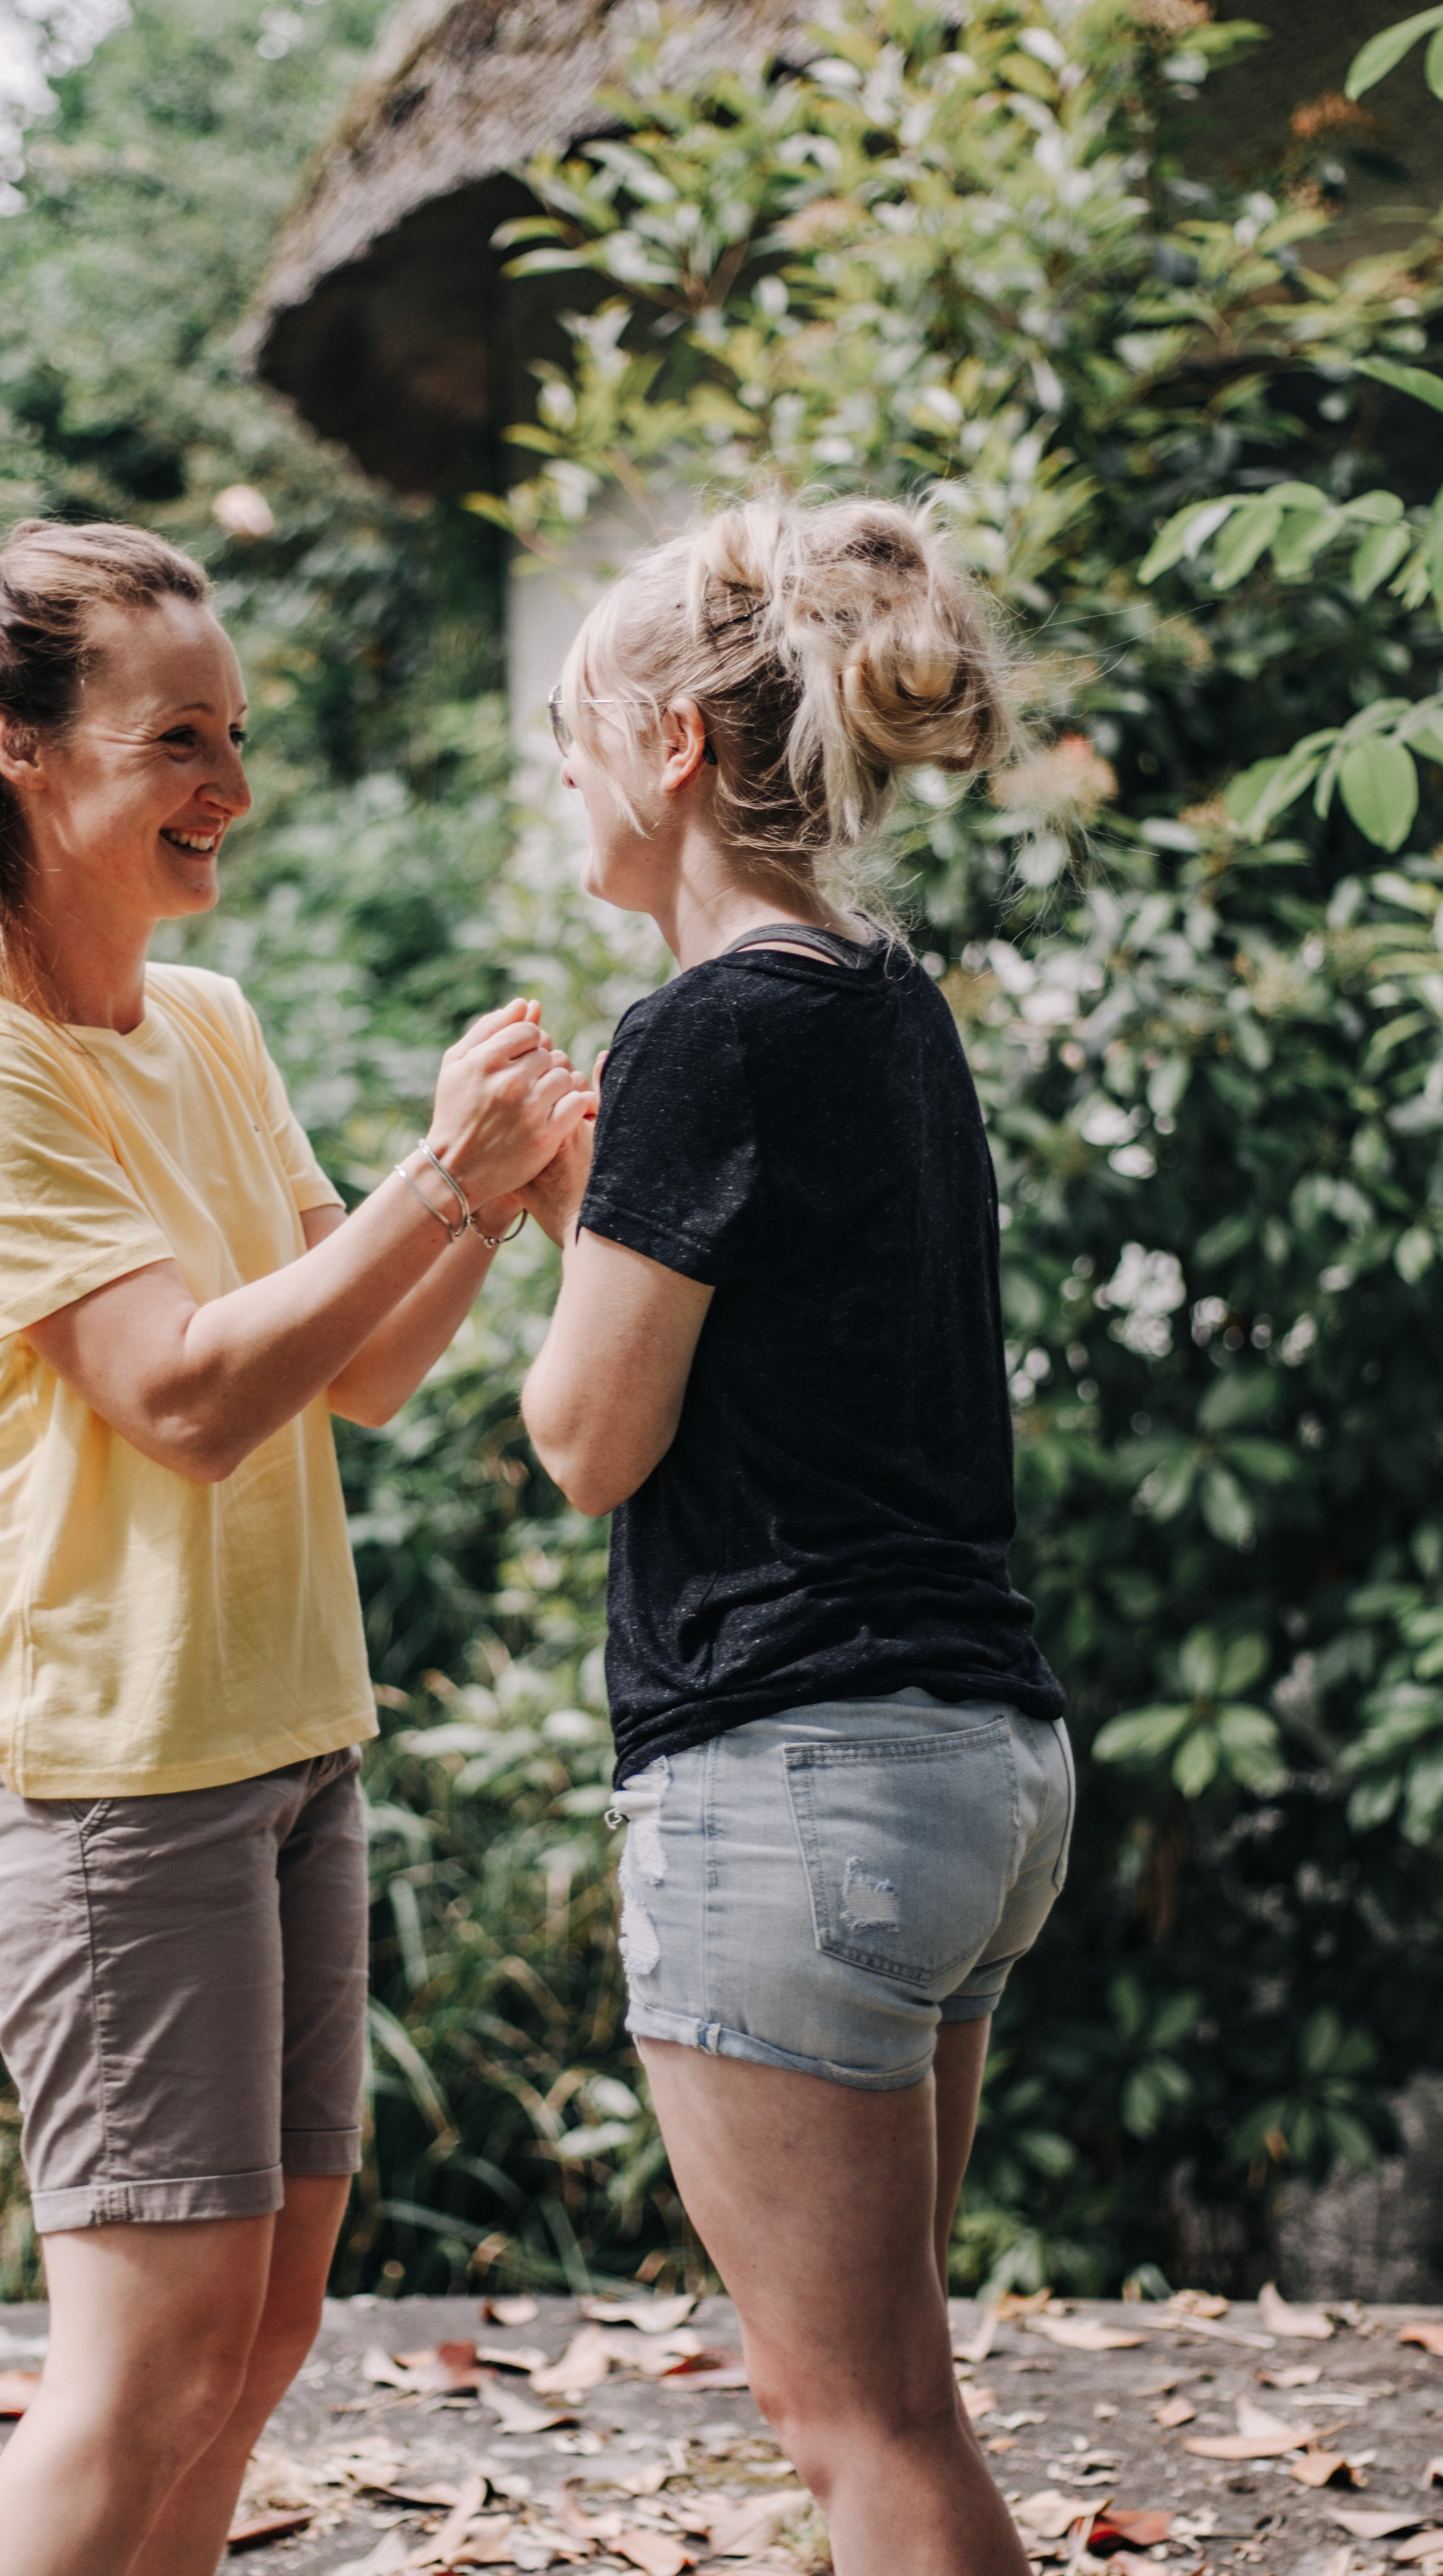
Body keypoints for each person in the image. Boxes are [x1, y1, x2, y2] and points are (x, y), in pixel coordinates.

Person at [0, 518, 587, 2576]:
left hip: (282, 1737)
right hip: (101, 1773)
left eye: (233, 735)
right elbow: (182, 1394)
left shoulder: (207, 1019)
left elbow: (355, 1375)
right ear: (14, 744)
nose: (231, 788)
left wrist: (491, 1193)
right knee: (144, 2367)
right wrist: (436, 1171)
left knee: (249, 2350)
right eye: (180, 741)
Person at [518, 497, 1072, 2576]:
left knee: (864, 2427)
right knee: (887, 2402)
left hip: (793, 1779)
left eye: (574, 734)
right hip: (977, 1768)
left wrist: (537, 1203)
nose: (561, 778)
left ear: (669, 744)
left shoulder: (702, 1024)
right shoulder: (883, 997)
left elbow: (584, 1434)